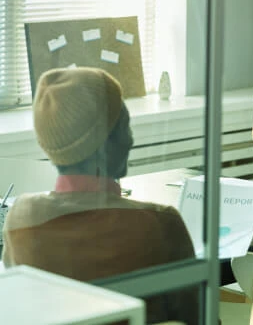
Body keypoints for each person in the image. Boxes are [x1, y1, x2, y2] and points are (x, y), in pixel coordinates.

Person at [1, 67, 198, 324]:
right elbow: (198, 316)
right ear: (103, 143)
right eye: (124, 127)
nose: (131, 140)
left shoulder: (20, 218)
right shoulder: (161, 224)